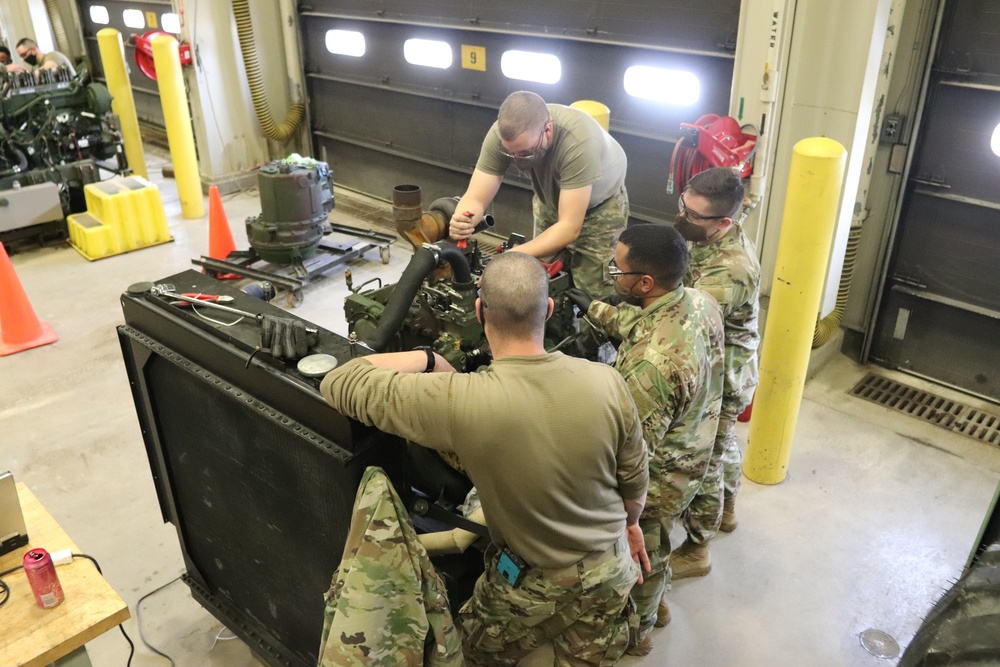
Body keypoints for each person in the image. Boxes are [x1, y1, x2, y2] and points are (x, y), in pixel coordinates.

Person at [321, 251, 651, 666]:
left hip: (534, 581)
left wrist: (429, 359)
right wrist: (633, 526)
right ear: (548, 310)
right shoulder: (608, 381)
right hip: (611, 567)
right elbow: (635, 479)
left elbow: (340, 381)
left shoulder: (462, 401)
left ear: (479, 311)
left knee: (475, 651)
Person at [567, 223, 724, 655]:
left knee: (642, 547)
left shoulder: (650, 371)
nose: (611, 274)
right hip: (696, 444)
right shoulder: (699, 302)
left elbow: (628, 457)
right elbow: (647, 322)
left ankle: (639, 629)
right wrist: (596, 310)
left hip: (660, 479)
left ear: (644, 282)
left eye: (617, 269)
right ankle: (658, 601)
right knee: (658, 539)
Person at [668, 167, 760, 580]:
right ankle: (728, 512)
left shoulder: (731, 268)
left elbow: (686, 320)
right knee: (723, 448)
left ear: (724, 222)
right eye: (683, 206)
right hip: (719, 360)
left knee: (703, 459)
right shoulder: (708, 238)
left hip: (725, 373)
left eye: (693, 215)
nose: (682, 217)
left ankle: (697, 549)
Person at [449, 91, 628, 299]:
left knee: (595, 293)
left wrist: (512, 256)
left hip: (600, 212)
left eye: (525, 152)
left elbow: (569, 227)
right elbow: (476, 197)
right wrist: (463, 219)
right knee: (541, 280)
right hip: (549, 202)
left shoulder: (578, 142)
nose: (517, 159)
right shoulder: (502, 135)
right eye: (511, 153)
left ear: (548, 129)